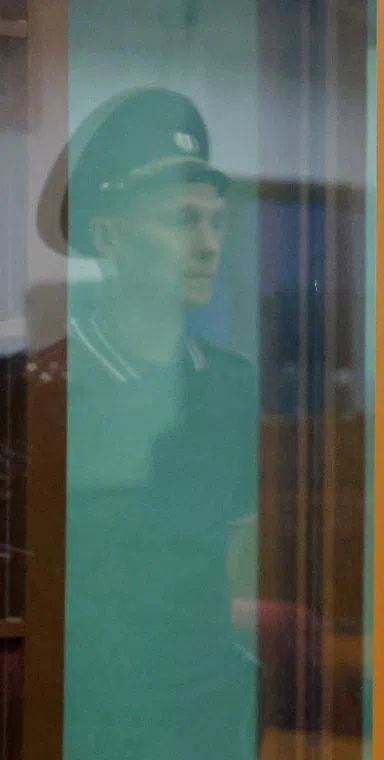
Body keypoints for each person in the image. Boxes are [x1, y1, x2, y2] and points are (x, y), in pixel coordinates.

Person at [3, 88, 260, 759]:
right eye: (182, 219)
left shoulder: (229, 386)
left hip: (204, 714)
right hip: (81, 714)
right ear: (111, 236)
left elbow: (237, 558)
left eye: (217, 223)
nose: (208, 246)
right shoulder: (39, 386)